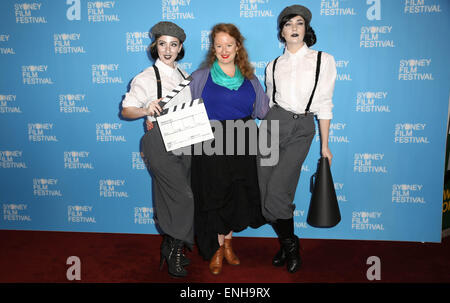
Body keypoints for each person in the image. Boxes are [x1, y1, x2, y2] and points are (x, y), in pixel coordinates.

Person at [257, 4, 337, 273]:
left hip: (301, 127)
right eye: (288, 24)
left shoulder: (322, 60)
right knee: (264, 191)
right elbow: (268, 102)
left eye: (299, 23)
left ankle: (291, 245)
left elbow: (324, 104)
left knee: (278, 192)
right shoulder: (273, 65)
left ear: (306, 29)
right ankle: (285, 243)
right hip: (271, 126)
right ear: (281, 31)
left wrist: (325, 145)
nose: (293, 28)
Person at [189, 23, 270, 275]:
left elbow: (262, 111)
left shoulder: (250, 78)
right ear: (213, 48)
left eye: (229, 45)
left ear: (238, 47)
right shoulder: (199, 77)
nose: (224, 50)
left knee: (237, 194)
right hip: (210, 142)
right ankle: (216, 247)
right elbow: (186, 110)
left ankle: (229, 245)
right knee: (213, 195)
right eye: (219, 45)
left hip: (243, 141)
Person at [121, 21, 194, 278]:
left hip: (186, 141)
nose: (167, 49)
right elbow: (126, 110)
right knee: (183, 197)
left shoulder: (186, 76)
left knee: (171, 197)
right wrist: (145, 109)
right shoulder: (145, 77)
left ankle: (169, 246)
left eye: (173, 44)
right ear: (155, 46)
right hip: (159, 142)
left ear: (180, 48)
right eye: (162, 44)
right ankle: (174, 250)